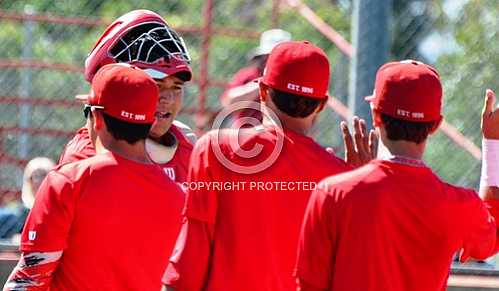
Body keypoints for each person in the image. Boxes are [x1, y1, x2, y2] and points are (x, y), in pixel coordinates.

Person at [162, 41, 376, 291]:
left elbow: (189, 261)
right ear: (321, 104)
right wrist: (362, 184)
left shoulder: (216, 149)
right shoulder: (341, 179)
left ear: (262, 91)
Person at [294, 61, 499, 291]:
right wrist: (493, 143)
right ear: (435, 125)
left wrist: (360, 180)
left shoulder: (334, 192)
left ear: (376, 115)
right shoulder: (458, 204)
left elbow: (310, 284)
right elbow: (493, 235)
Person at [3, 64, 185, 291]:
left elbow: (29, 281)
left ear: (97, 118)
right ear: (150, 121)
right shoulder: (178, 197)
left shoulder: (70, 181)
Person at [58, 9, 195, 183]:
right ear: (118, 88)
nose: (167, 98)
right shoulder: (85, 158)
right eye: (156, 85)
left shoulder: (186, 142)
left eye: (177, 87)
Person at [219, 29, 291, 126]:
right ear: (263, 57)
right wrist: (264, 82)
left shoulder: (293, 81)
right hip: (246, 134)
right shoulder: (249, 75)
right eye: (270, 55)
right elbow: (229, 103)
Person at [0, 157, 54, 239]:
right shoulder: (21, 214)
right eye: (35, 176)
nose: (38, 181)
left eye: (43, 175)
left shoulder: (58, 210)